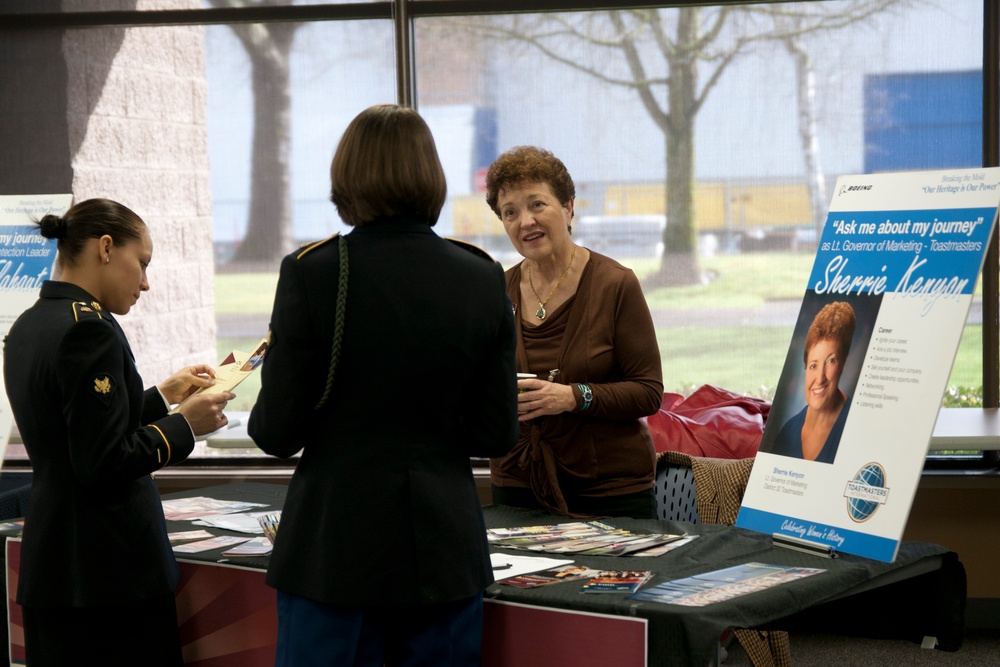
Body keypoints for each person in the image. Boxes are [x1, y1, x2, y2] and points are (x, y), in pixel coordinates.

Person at [248, 104, 518, 667]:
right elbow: (495, 432)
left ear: (346, 177)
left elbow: (276, 432)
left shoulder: (313, 271)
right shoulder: (481, 274)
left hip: (334, 553)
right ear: (432, 177)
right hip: (444, 554)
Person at [2, 198, 235, 666]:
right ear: (106, 248)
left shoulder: (30, 323)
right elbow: (102, 460)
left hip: (55, 565)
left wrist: (162, 396)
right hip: (110, 575)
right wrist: (185, 425)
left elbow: (75, 429)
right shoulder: (89, 330)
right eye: (142, 263)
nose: (146, 283)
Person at [485, 145, 664, 520]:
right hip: (517, 484)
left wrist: (571, 397)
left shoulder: (615, 285)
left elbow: (648, 392)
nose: (525, 222)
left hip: (610, 490)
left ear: (568, 207)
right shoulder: (495, 292)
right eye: (510, 212)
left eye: (537, 204)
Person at [770, 301, 856, 463]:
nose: (820, 378)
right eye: (813, 365)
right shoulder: (788, 431)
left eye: (831, 361)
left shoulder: (855, 425)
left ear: (843, 363)